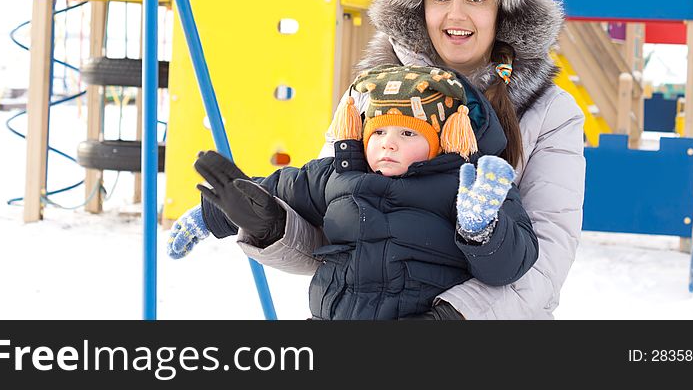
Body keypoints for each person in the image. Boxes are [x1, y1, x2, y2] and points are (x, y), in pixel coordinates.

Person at [174, 0, 586, 319]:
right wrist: (268, 223)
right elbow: (329, 226)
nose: (456, 15)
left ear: (503, 11)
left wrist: (449, 319)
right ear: (417, 9)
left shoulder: (549, 113)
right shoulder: (371, 97)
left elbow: (544, 260)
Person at [170, 64, 538, 320]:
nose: (388, 145)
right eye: (378, 133)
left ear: (442, 140)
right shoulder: (337, 175)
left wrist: (480, 229)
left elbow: (510, 267)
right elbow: (274, 189)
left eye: (408, 134)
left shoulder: (466, 188)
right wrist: (211, 215)